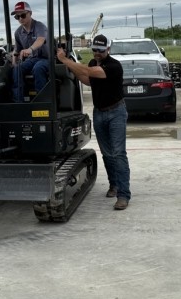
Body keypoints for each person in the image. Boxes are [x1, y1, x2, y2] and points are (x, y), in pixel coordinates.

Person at [56, 34, 131, 210]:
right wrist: (73, 69)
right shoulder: (91, 63)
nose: (97, 53)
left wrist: (65, 60)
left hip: (116, 112)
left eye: (101, 50)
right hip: (99, 112)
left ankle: (123, 195)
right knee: (107, 153)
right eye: (95, 49)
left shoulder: (114, 66)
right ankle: (114, 185)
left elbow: (90, 72)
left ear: (108, 49)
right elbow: (88, 80)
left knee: (118, 153)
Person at [11, 1, 49, 102]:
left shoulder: (40, 26)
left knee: (38, 68)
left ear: (30, 13)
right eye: (17, 17)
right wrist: (14, 62)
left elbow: (40, 40)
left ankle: (41, 101)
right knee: (17, 69)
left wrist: (30, 49)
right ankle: (18, 102)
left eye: (23, 15)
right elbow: (17, 49)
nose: (20, 18)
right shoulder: (18, 32)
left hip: (46, 59)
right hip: (31, 60)